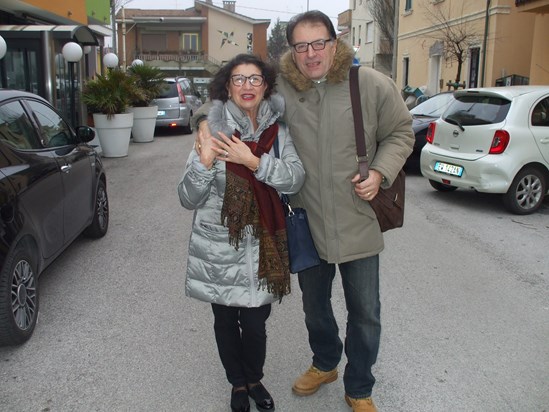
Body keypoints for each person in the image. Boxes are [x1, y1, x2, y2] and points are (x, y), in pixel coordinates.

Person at [194, 11, 414, 412]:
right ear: (291, 51)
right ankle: (326, 362)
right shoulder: (284, 93)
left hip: (357, 218)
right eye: (301, 46)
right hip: (306, 219)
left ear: (335, 43)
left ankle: (360, 386)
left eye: (319, 44)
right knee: (315, 307)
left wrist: (381, 171)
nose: (311, 54)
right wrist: (201, 124)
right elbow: (235, 100)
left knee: (365, 311)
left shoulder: (369, 84)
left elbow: (401, 132)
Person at [178, 53, 305, 412]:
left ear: (265, 86)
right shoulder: (212, 131)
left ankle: (255, 378)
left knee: (255, 323)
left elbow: (295, 178)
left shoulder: (278, 133)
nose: (247, 86)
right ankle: (238, 383)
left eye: (255, 79)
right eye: (239, 79)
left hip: (264, 244)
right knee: (224, 320)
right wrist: (204, 163)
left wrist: (255, 163)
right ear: (227, 87)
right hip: (219, 247)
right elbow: (188, 198)